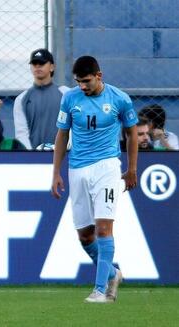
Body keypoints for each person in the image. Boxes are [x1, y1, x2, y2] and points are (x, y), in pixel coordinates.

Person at [51, 56, 138, 303]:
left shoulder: (119, 99)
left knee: (103, 229)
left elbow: (131, 134)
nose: (82, 86)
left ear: (99, 75)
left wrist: (132, 169)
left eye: (86, 81)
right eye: (78, 82)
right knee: (85, 236)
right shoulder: (69, 99)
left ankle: (100, 290)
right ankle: (113, 273)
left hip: (107, 167)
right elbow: (62, 134)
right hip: (77, 168)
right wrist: (56, 172)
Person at [13, 49, 69, 149]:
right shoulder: (21, 99)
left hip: (63, 155)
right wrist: (33, 155)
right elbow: (21, 133)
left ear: (52, 67)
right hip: (34, 160)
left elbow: (75, 126)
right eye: (34, 64)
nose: (38, 66)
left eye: (42, 63)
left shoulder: (66, 94)